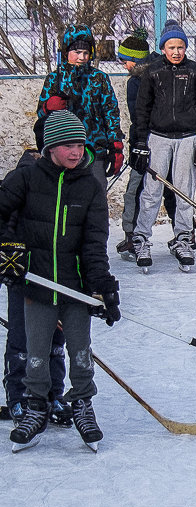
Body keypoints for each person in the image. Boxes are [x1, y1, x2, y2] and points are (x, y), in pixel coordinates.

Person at [0, 111, 121, 452]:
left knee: (80, 351)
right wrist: (9, 250)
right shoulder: (25, 179)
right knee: (36, 353)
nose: (76, 151)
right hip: (36, 286)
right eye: (67, 144)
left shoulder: (90, 187)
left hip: (75, 288)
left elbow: (95, 243)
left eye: (80, 144)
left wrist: (103, 286)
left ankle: (83, 403)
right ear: (50, 146)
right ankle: (36, 407)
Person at [2, 103, 71, 425]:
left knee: (55, 340)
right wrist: (10, 255)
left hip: (57, 276)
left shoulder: (71, 181)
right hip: (25, 275)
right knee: (22, 339)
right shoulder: (22, 178)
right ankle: (18, 398)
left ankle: (52, 395)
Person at [129, 19, 196, 274]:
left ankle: (183, 238)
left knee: (184, 192)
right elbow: (142, 111)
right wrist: (139, 143)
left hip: (188, 138)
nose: (176, 52)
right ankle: (141, 238)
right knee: (152, 191)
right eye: (171, 47)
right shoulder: (152, 72)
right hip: (158, 138)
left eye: (180, 47)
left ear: (185, 48)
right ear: (163, 48)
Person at [114, 27, 179, 262]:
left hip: (147, 144)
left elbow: (138, 117)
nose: (124, 66)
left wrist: (137, 145)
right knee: (172, 188)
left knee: (137, 191)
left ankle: (133, 236)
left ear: (135, 59)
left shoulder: (138, 81)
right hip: (171, 142)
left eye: (126, 61)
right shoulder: (164, 70)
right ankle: (184, 234)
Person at [36, 25, 125, 188]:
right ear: (66, 53)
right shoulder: (55, 79)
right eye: (77, 52)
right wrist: (49, 107)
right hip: (62, 150)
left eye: (86, 53)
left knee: (96, 194)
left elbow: (111, 113)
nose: (82, 57)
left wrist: (115, 145)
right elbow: (41, 116)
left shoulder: (99, 79)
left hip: (95, 149)